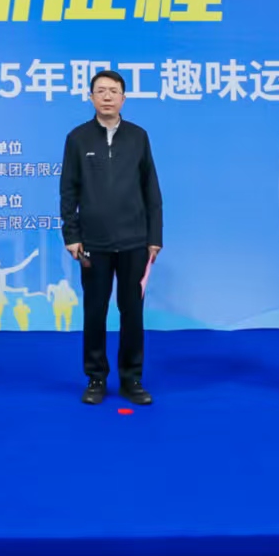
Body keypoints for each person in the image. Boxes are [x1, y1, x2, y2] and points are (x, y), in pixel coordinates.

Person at [60, 69, 162, 405]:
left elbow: (151, 189)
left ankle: (132, 379)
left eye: (113, 91)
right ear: (90, 97)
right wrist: (71, 234)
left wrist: (154, 236)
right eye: (100, 90)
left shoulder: (138, 136)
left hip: (134, 241)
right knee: (95, 311)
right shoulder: (77, 138)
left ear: (123, 98)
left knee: (132, 312)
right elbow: (68, 190)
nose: (107, 96)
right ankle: (95, 378)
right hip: (93, 243)